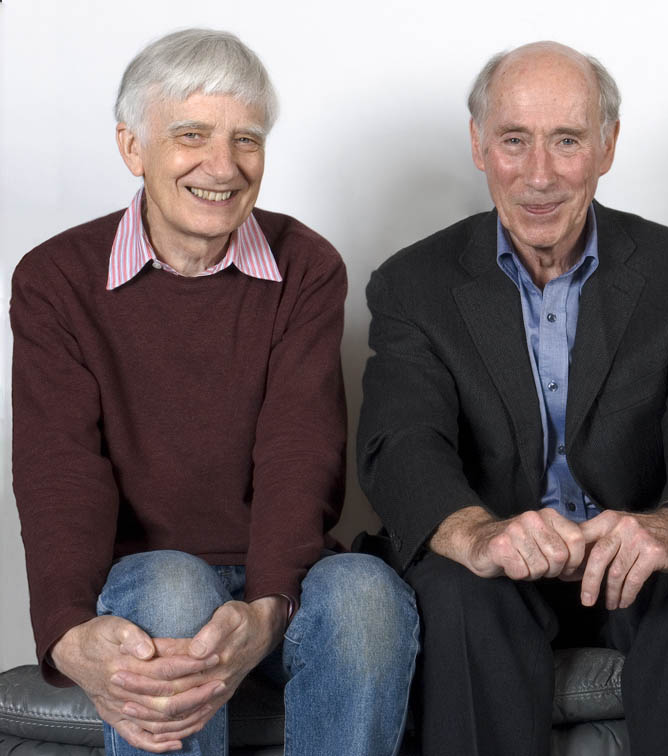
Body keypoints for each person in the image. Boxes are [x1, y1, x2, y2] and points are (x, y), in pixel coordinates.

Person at [11, 29, 418, 756]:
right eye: (191, 134)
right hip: (151, 586)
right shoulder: (55, 280)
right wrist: (67, 631)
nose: (223, 166)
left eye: (247, 140)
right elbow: (59, 470)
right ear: (132, 148)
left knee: (365, 591)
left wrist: (266, 608)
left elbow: (300, 450)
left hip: (280, 573)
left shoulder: (307, 266)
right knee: (171, 585)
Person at [357, 41, 668, 756]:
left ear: (607, 147)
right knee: (455, 591)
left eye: (567, 140)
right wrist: (478, 535)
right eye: (514, 140)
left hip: (633, 550)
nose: (538, 174)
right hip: (497, 560)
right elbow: (402, 443)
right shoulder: (411, 284)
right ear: (480, 146)